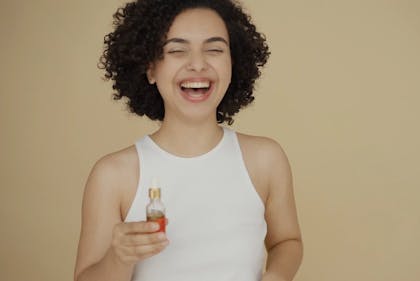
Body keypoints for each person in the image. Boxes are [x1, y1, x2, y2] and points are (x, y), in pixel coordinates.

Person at [74, 0, 303, 280]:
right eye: (177, 50)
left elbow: (287, 241)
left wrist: (277, 275)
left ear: (234, 62)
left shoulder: (265, 159)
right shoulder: (113, 175)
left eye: (215, 49)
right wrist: (119, 258)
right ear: (150, 69)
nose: (197, 64)